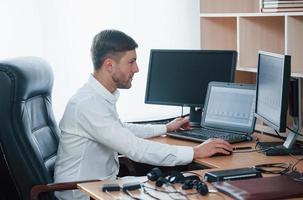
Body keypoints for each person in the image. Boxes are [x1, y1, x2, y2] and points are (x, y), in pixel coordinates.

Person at [54, 29, 233, 200]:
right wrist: (195, 151)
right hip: (81, 193)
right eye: (131, 62)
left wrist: (166, 127)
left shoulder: (97, 97)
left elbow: (121, 130)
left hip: (99, 185)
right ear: (109, 65)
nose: (137, 69)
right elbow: (135, 149)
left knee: (179, 187)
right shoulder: (88, 104)